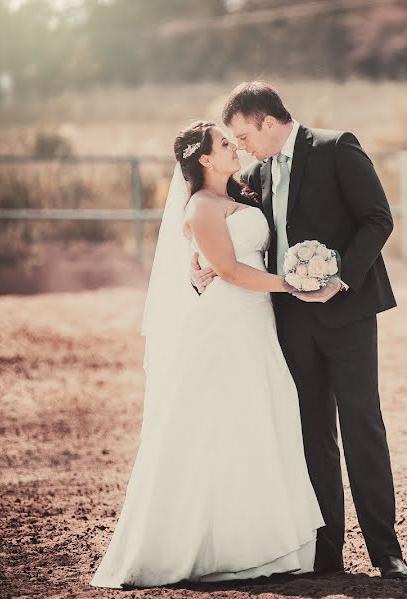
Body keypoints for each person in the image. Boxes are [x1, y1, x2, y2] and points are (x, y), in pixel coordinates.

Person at [91, 121, 325, 588]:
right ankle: (206, 546)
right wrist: (295, 285)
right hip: (227, 322)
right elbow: (231, 270)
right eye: (224, 143)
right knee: (221, 420)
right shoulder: (199, 207)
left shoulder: (242, 194)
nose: (234, 146)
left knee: (259, 415)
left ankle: (262, 540)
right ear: (203, 160)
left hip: (257, 322)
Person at [191, 81, 407, 579]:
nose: (240, 147)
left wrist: (341, 279)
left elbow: (378, 220)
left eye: (244, 135)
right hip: (288, 319)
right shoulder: (254, 173)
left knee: (362, 426)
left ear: (268, 122)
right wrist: (200, 261)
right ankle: (326, 551)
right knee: (311, 433)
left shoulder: (337, 147)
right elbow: (221, 223)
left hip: (348, 313)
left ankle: (385, 549)